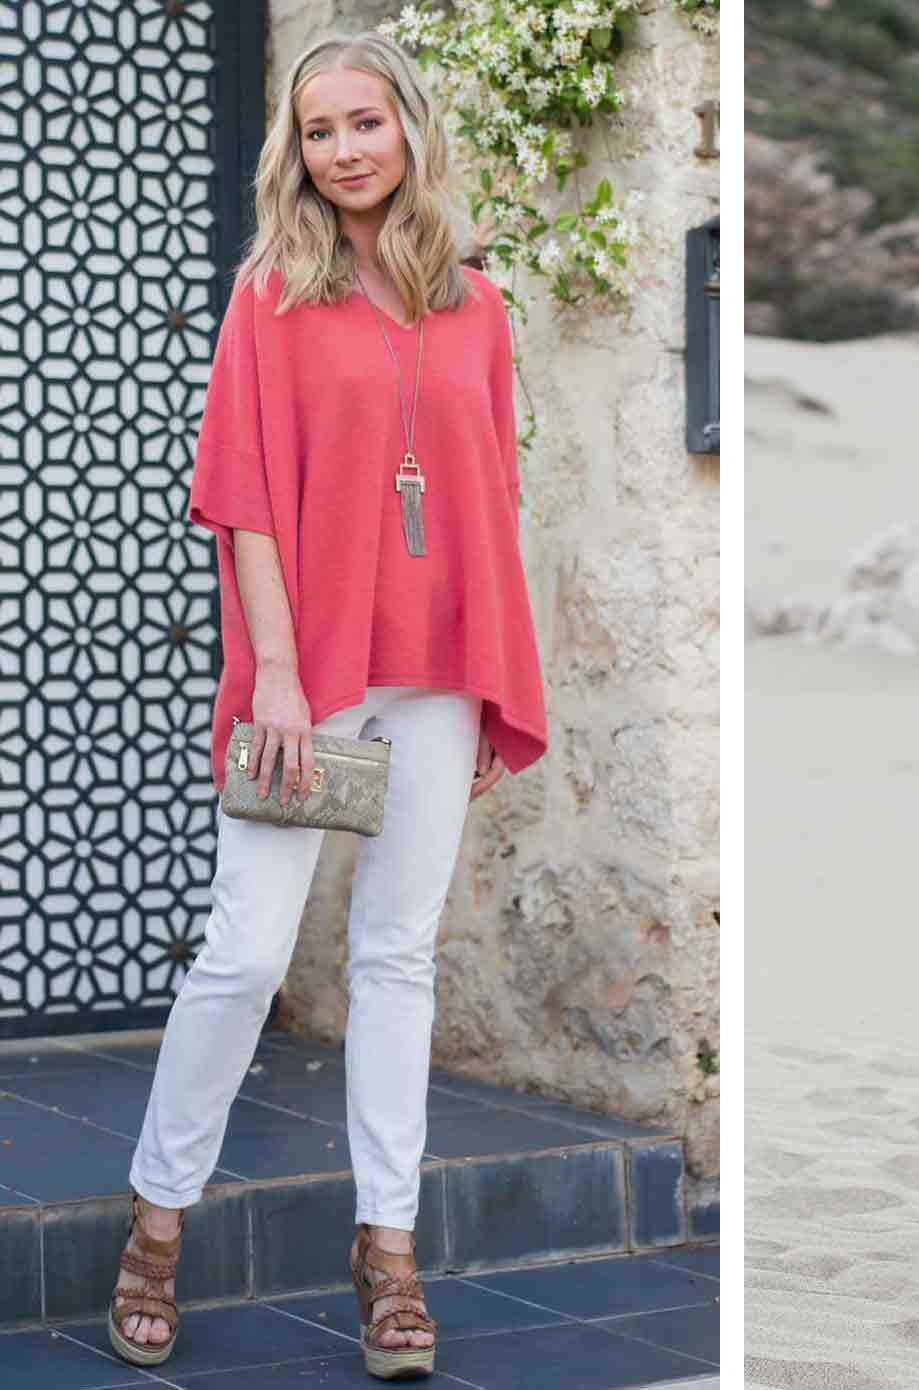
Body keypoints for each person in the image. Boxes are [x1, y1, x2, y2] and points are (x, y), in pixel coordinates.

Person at [107, 30, 547, 1379]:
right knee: (244, 953)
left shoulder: (478, 307)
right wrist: (284, 674)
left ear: (409, 128)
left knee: (397, 958)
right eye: (319, 129)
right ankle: (154, 1225)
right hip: (307, 680)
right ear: (293, 151)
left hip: (433, 681)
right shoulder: (272, 294)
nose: (345, 149)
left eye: (366, 122)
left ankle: (390, 1248)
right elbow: (241, 496)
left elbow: (484, 507)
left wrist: (483, 683)